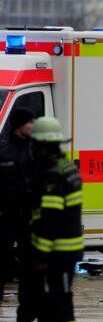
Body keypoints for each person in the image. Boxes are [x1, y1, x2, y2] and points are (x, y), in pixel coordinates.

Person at [17, 117, 84, 322]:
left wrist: (41, 256)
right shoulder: (68, 168)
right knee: (57, 301)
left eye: (36, 145)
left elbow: (50, 220)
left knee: (60, 303)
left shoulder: (52, 176)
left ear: (43, 146)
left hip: (57, 252)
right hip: (67, 249)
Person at [0, 108, 36, 303]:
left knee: (29, 265)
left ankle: (27, 307)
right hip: (7, 216)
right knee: (2, 259)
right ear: (19, 125)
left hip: (30, 219)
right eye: (30, 122)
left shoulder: (36, 152)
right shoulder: (3, 151)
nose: (33, 125)